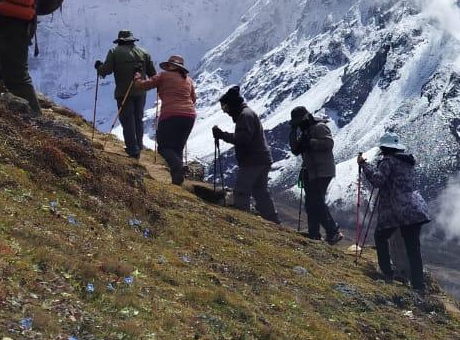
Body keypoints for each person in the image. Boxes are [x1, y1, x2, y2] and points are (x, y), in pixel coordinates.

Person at [357, 131, 431, 292]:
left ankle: (387, 273)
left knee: (380, 236)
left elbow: (378, 181)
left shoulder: (388, 161)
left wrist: (364, 165)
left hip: (397, 209)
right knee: (413, 248)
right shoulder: (407, 162)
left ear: (384, 148)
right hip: (415, 207)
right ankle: (419, 286)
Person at [211, 86, 279, 223]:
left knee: (241, 191)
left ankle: (242, 221)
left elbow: (242, 139)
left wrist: (222, 135)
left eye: (225, 108)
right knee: (261, 193)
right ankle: (274, 222)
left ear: (231, 104)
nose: (225, 112)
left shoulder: (244, 115)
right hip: (262, 158)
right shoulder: (247, 113)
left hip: (252, 160)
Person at [132, 55, 197, 185]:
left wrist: (137, 76)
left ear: (171, 66)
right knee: (177, 147)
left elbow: (143, 85)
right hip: (189, 115)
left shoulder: (163, 76)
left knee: (163, 147)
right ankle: (177, 180)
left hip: (170, 114)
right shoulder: (188, 80)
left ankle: (178, 166)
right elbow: (193, 99)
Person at [95, 30, 156, 159]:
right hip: (141, 92)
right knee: (138, 119)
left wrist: (99, 67)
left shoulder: (114, 52)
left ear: (120, 41)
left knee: (127, 120)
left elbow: (106, 70)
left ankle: (132, 149)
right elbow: (153, 74)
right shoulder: (144, 53)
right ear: (132, 40)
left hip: (124, 92)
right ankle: (138, 145)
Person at [289, 106, 342, 244]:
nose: (299, 125)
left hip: (323, 170)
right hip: (312, 171)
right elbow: (295, 149)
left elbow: (329, 143)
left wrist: (311, 142)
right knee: (311, 203)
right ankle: (314, 234)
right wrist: (293, 131)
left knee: (316, 201)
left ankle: (332, 231)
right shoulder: (305, 132)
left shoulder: (319, 127)